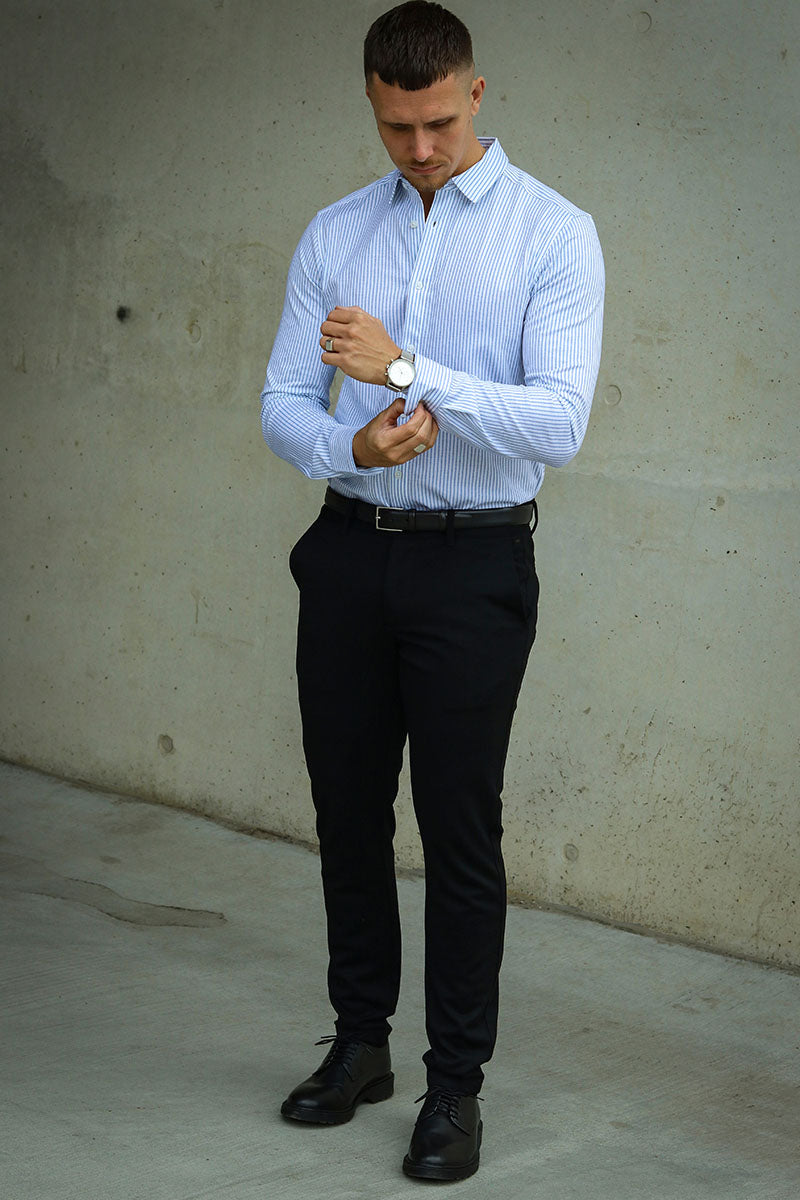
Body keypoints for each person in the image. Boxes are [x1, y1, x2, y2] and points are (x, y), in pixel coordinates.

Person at [260, 0, 603, 1181]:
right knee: (347, 813)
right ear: (371, 103)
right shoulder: (334, 233)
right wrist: (348, 446)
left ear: (475, 93)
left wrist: (407, 371)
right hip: (348, 551)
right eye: (397, 126)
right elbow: (281, 403)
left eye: (440, 123)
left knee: (458, 829)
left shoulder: (551, 233)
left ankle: (454, 1086)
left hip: (472, 563)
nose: (420, 148)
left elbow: (557, 422)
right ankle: (360, 1044)